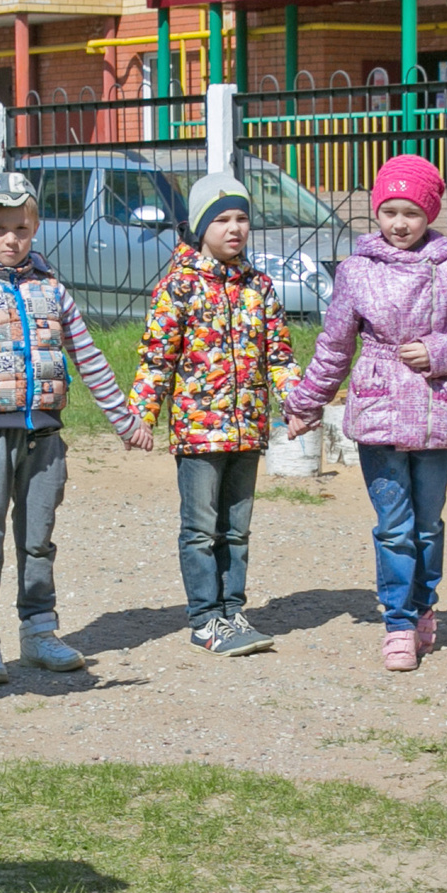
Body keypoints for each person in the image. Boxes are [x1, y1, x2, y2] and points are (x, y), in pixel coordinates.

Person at [0, 170, 156, 684]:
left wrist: (125, 421)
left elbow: (91, 359)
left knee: (38, 539)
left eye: (20, 227)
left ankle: (39, 633)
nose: (10, 239)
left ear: (34, 227)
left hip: (45, 437)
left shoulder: (53, 290)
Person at [284, 155, 447, 672]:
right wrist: (307, 404)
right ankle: (398, 624)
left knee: (427, 526)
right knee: (394, 527)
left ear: (429, 215)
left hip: (432, 408)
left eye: (412, 213)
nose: (400, 223)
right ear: (376, 212)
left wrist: (440, 351)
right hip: (377, 411)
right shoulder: (357, 272)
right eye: (390, 211)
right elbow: (334, 346)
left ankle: (426, 608)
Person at [130, 171, 298, 658]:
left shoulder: (260, 288)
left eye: (242, 218)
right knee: (201, 529)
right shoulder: (178, 287)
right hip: (199, 435)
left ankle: (233, 610)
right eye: (221, 218)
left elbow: (281, 357)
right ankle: (205, 620)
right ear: (199, 226)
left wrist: (297, 403)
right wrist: (141, 414)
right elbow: (156, 358)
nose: (234, 228)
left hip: (248, 430)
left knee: (237, 529)